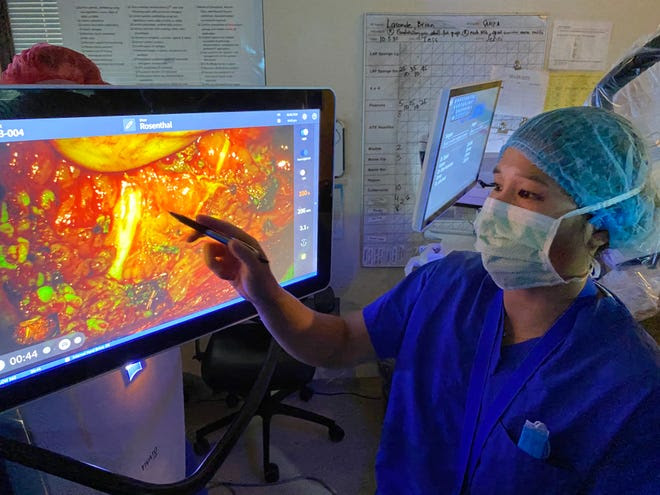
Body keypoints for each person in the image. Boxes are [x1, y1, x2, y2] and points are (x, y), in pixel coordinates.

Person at [192, 107, 659, 493]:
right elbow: (333, 344)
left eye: (528, 194)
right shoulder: (446, 285)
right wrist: (261, 290)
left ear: (599, 228)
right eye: (497, 186)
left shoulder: (631, 385)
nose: (496, 209)